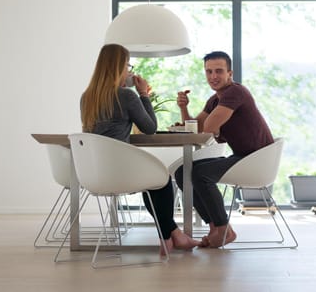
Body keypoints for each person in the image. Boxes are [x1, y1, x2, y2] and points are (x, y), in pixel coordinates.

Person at [80, 43, 199, 255]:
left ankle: (173, 237)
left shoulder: (87, 97)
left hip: (95, 174)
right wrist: (143, 93)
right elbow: (150, 128)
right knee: (161, 179)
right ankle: (169, 238)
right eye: (127, 66)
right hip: (120, 173)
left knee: (153, 180)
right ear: (118, 68)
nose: (130, 71)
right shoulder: (126, 96)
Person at [174, 50, 274, 248]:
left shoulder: (235, 92)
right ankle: (215, 227)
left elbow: (208, 127)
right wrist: (184, 108)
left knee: (201, 173)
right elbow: (196, 128)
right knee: (182, 172)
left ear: (230, 73)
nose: (213, 77)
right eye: (209, 72)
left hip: (256, 159)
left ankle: (224, 229)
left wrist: (212, 128)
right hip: (241, 157)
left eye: (219, 71)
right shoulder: (215, 99)